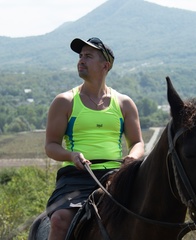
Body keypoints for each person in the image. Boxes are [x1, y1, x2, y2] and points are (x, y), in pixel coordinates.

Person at [45, 37, 144, 240]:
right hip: (75, 179)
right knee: (59, 220)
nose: (81, 60)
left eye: (88, 56)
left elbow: (137, 143)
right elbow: (51, 146)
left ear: (105, 65)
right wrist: (71, 155)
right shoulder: (64, 102)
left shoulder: (124, 103)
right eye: (80, 56)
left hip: (116, 177)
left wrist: (132, 158)